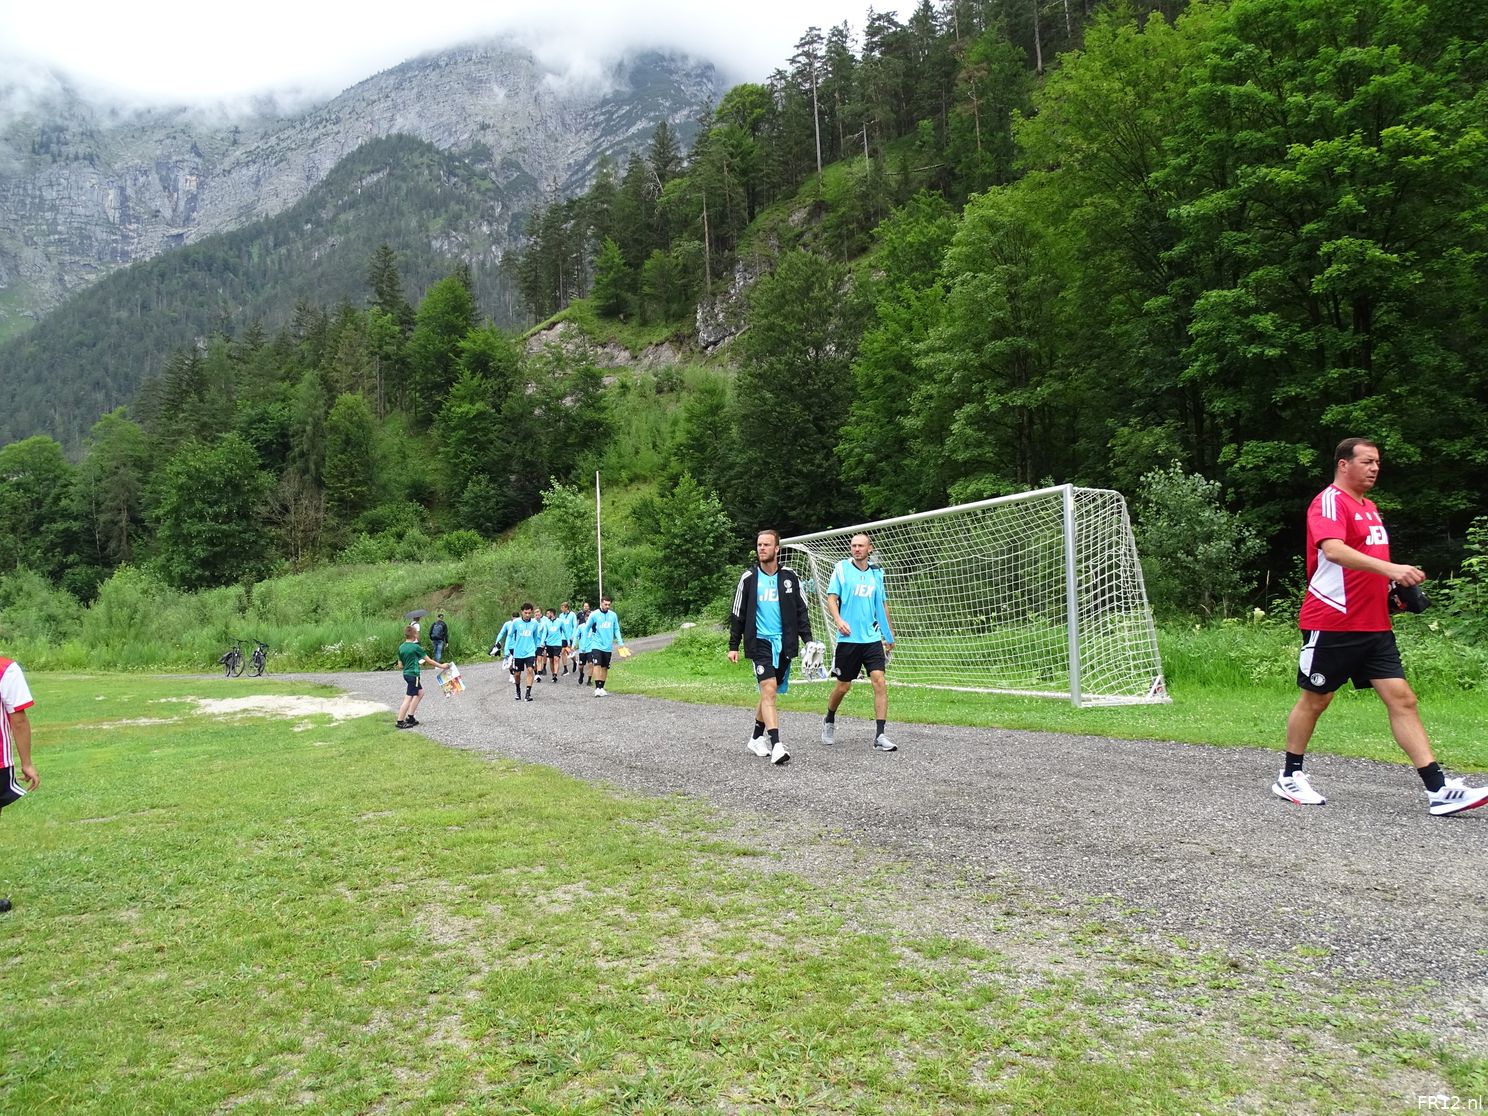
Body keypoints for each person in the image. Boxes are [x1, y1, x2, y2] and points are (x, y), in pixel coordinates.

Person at [1274, 438, 1488, 816]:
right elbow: (1334, 550)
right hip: (1334, 621)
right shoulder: (1329, 501)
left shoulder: (1370, 508)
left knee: (1403, 699)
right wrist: (1392, 569)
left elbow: (1366, 560)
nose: (1374, 468)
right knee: (1317, 699)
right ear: (1344, 464)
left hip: (1374, 624)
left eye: (1377, 463)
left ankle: (1438, 790)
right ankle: (1290, 775)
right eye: (1367, 461)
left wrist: (1393, 589)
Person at [729, 529, 812, 766]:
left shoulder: (790, 577)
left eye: (766, 544)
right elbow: (738, 614)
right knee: (769, 688)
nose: (761, 548)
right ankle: (776, 744)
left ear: (777, 549)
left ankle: (756, 738)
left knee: (769, 693)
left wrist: (808, 641)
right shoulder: (748, 578)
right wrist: (733, 645)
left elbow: (801, 611)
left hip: (784, 642)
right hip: (760, 642)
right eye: (759, 544)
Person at [821, 532, 897, 752]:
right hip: (848, 638)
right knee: (843, 686)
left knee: (879, 681)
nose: (856, 549)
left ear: (869, 549)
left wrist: (888, 635)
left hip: (871, 638)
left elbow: (882, 605)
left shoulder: (876, 573)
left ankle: (880, 735)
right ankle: (829, 719)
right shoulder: (842, 569)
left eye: (861, 545)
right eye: (853, 545)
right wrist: (838, 620)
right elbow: (832, 598)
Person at [396, 625, 447, 729]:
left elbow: (400, 665)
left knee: (420, 692)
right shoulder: (416, 648)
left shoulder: (401, 647)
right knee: (408, 697)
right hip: (414, 675)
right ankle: (400, 721)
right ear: (415, 635)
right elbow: (429, 660)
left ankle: (410, 717)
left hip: (406, 674)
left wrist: (414, 663)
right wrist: (442, 666)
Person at [582, 597, 625, 696]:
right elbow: (587, 628)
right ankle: (597, 688)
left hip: (608, 646)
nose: (607, 606)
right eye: (605, 604)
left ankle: (602, 687)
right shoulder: (594, 615)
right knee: (597, 665)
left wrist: (620, 642)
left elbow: (616, 629)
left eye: (609, 605)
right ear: (601, 603)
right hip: (596, 644)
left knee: (605, 667)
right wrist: (584, 644)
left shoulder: (613, 615)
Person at [507, 603, 542, 702]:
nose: (527, 615)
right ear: (522, 612)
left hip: (530, 652)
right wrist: (509, 648)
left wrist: (534, 648)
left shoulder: (534, 623)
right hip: (518, 652)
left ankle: (528, 693)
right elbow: (510, 635)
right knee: (517, 673)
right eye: (525, 613)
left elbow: (535, 637)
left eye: (529, 613)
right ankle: (518, 690)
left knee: (530, 670)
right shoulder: (516, 623)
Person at [541, 608, 564, 682]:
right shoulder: (546, 623)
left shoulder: (560, 621)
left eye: (548, 613)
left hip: (557, 643)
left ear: (552, 613)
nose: (547, 615)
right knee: (551, 660)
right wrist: (542, 642)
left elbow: (565, 631)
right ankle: (552, 673)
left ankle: (555, 674)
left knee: (556, 659)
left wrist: (568, 641)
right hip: (549, 643)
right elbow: (544, 633)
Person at [557, 602, 577, 675]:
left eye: (562, 607)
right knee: (562, 652)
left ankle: (575, 662)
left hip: (570, 636)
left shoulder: (572, 615)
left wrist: (573, 635)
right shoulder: (560, 615)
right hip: (562, 637)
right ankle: (565, 669)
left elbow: (575, 625)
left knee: (570, 651)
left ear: (566, 608)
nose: (561, 609)